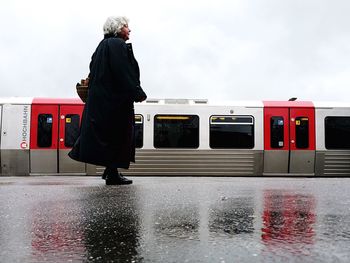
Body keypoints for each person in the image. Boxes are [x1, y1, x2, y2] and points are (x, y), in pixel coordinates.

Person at [69, 16, 147, 185]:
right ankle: (112, 175)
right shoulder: (117, 45)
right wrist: (137, 92)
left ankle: (110, 171)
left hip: (103, 101)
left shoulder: (102, 46)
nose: (129, 30)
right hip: (114, 102)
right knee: (117, 135)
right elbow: (123, 71)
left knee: (110, 136)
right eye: (126, 26)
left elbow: (93, 70)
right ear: (118, 29)